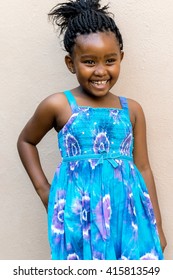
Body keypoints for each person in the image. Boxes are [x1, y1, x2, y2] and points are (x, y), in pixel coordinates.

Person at [17, 0, 167, 260]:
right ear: (70, 63)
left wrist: (158, 226)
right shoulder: (59, 105)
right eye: (89, 61)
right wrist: (45, 191)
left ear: (121, 58)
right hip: (79, 213)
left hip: (128, 216)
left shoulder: (131, 110)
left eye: (110, 60)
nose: (101, 70)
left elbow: (143, 168)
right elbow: (26, 141)